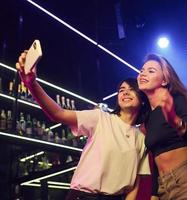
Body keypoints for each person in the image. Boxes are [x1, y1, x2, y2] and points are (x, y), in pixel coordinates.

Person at [16, 50, 151, 200]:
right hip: (83, 196)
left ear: (142, 99)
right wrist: (31, 83)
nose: (125, 93)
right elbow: (58, 113)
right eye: (121, 90)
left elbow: (135, 184)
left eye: (132, 89)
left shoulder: (141, 139)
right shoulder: (101, 118)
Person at [137, 53, 187, 200]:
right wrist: (154, 194)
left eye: (151, 71)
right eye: (142, 70)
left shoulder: (177, 101)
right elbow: (156, 156)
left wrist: (175, 121)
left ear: (165, 80)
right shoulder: (148, 117)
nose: (142, 73)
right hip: (164, 189)